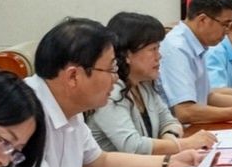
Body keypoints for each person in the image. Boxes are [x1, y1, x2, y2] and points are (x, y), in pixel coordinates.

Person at [24, 18, 204, 167]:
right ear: (73, 76)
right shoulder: (23, 109)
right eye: (111, 69)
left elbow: (99, 163)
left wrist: (168, 162)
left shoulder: (69, 105)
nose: (116, 78)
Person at [88, 12, 217, 155]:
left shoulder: (144, 85)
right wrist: (183, 144)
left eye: (158, 48)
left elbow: (170, 121)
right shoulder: (110, 92)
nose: (159, 56)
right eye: (152, 49)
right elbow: (134, 146)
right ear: (127, 55)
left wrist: (170, 139)